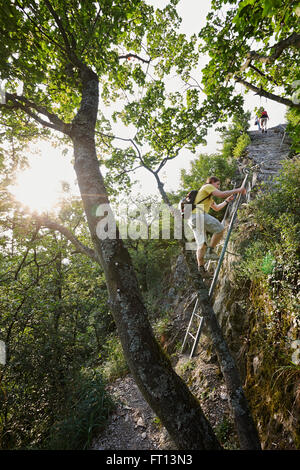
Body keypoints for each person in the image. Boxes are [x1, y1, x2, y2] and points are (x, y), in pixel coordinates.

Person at [187, 176, 246, 279]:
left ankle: (201, 268)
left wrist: (227, 201)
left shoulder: (206, 197)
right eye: (217, 184)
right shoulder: (207, 186)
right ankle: (210, 251)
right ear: (212, 182)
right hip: (199, 215)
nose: (218, 186)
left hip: (192, 219)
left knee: (202, 245)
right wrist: (238, 190)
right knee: (220, 229)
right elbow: (221, 194)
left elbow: (217, 208)